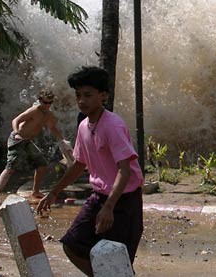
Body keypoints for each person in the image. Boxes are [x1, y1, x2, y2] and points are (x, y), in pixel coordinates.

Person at [37, 66, 144, 276]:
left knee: (119, 260)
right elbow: (79, 164)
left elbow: (125, 171)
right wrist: (53, 192)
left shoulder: (113, 125)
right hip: (98, 197)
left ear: (102, 96)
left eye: (87, 95)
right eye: (78, 95)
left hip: (124, 201)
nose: (81, 101)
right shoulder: (84, 126)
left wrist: (110, 207)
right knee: (72, 244)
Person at [0, 90, 70, 208]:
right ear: (40, 100)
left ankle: (35, 191)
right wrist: (17, 132)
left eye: (50, 103)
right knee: (10, 168)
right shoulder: (34, 110)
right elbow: (16, 120)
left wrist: (62, 141)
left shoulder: (48, 114)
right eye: (45, 102)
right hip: (17, 140)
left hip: (28, 142)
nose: (47, 105)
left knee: (42, 165)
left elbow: (52, 128)